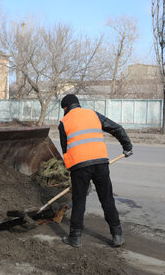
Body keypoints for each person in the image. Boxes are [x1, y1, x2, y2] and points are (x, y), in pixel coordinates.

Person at [58, 94, 133, 248]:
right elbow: (117, 128)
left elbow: (65, 150)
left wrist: (72, 172)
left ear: (65, 108)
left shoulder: (64, 122)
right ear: (78, 104)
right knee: (107, 199)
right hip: (100, 163)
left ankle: (75, 238)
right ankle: (117, 235)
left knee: (79, 202)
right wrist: (127, 147)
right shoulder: (93, 114)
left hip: (79, 167)